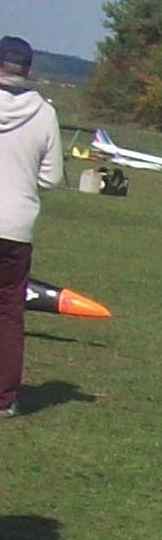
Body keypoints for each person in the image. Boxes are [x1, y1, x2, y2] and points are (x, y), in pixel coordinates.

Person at [0, 37, 64, 419]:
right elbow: (52, 177)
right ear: (28, 70)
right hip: (15, 225)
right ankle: (4, 397)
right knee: (9, 311)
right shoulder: (45, 114)